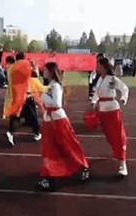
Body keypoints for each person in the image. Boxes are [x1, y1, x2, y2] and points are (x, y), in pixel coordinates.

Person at [36, 62, 90, 192]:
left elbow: (56, 103)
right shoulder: (50, 86)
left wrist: (41, 95)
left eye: (45, 70)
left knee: (69, 146)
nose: (44, 72)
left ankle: (83, 167)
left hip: (58, 120)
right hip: (49, 121)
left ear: (51, 72)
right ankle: (49, 177)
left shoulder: (55, 86)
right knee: (49, 150)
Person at [89, 55, 129, 177]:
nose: (96, 68)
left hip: (112, 109)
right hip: (102, 111)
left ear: (104, 67)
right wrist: (94, 102)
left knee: (118, 136)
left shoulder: (112, 79)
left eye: (98, 66)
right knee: (110, 136)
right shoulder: (99, 79)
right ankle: (118, 152)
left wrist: (123, 98)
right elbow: (96, 93)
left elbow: (124, 88)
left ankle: (123, 164)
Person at [4, 53, 42, 145]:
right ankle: (37, 133)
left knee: (15, 116)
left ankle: (10, 132)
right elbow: (36, 74)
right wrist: (34, 66)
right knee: (33, 116)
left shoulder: (11, 68)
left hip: (16, 96)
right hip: (26, 96)